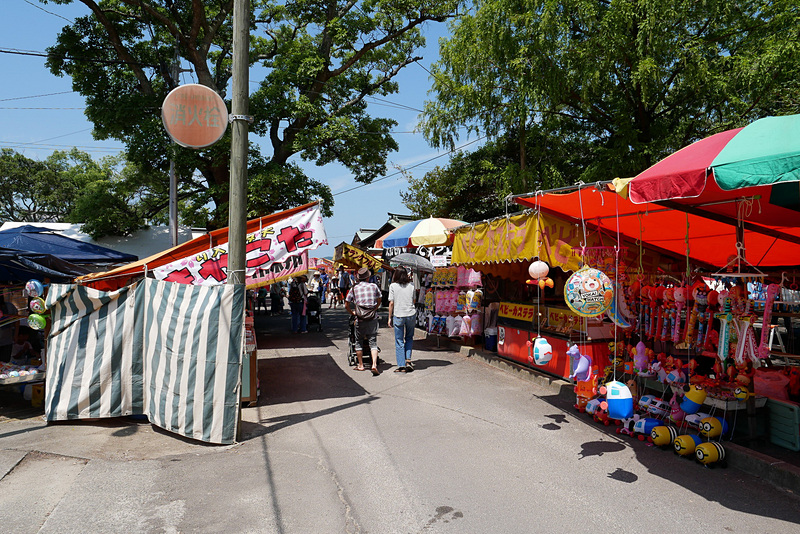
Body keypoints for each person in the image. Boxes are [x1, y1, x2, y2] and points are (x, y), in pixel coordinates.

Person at [345, 267, 383, 375]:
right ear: (368, 277)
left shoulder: (354, 288)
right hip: (372, 317)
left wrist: (352, 313)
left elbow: (346, 304)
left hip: (360, 318)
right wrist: (375, 307)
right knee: (373, 341)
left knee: (358, 341)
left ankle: (361, 365)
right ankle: (374, 364)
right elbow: (379, 298)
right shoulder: (374, 286)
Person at [388, 268, 417, 372]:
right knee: (409, 337)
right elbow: (414, 300)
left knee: (399, 340)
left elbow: (391, 303)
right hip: (410, 313)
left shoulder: (393, 286)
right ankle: (408, 360)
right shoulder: (412, 285)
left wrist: (389, 317)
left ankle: (401, 365)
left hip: (399, 314)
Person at [0, 294, 18, 363]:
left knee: (5, 362)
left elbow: (16, 320)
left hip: (7, 340)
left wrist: (16, 335)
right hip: (7, 339)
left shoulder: (9, 306)